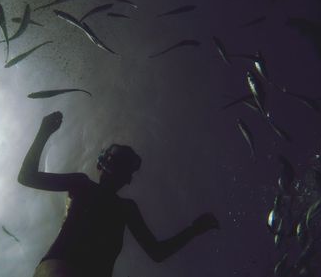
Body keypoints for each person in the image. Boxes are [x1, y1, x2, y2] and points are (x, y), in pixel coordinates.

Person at [18, 111, 220, 277]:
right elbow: (157, 253)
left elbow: (158, 253)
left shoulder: (120, 205)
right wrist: (193, 230)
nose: (117, 169)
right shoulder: (89, 188)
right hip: (60, 267)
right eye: (117, 161)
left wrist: (45, 132)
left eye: (123, 165)